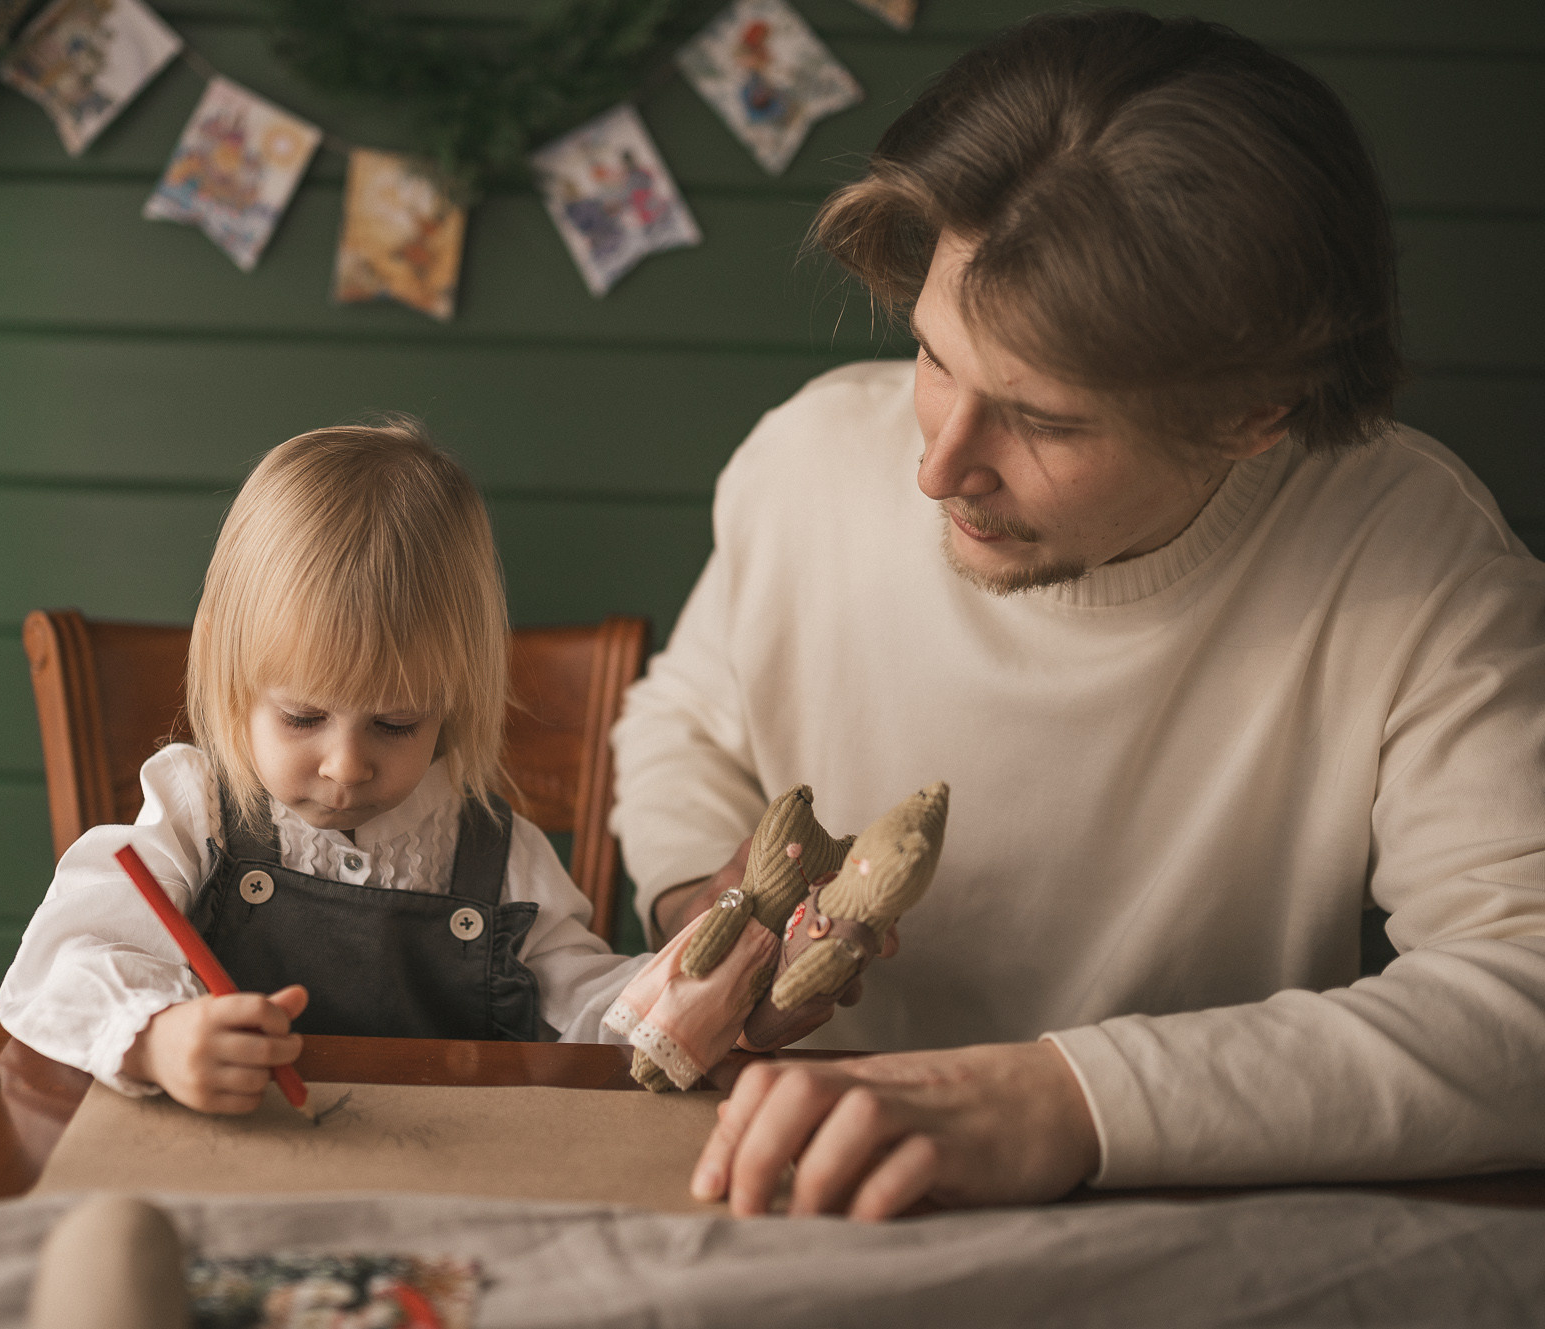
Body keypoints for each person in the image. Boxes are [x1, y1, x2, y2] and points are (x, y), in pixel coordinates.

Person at [610, 10, 1545, 1219]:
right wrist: (699, 905)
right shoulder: (803, 457)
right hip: (763, 1186)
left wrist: (1061, 1101)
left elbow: (1523, 992)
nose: (936, 470)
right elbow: (683, 719)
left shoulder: (1409, 551)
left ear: (1252, 414)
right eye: (933, 357)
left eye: (1043, 419)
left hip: (1179, 1232)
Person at [0, 422, 654, 1113]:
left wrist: (676, 991)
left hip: (437, 1185)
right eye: (303, 717)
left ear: (454, 697)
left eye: (396, 723)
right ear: (233, 669)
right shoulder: (198, 812)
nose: (345, 767)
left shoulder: (498, 853)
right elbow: (53, 966)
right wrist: (158, 1037)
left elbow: (592, 1010)